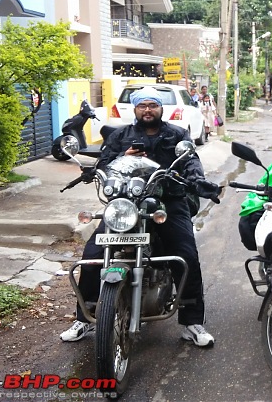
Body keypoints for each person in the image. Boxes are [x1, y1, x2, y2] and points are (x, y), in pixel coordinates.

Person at [60, 86, 222, 347]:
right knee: (92, 255)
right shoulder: (120, 135)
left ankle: (192, 322)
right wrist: (121, 157)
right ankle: (85, 317)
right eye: (142, 106)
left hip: (167, 201)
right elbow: (103, 162)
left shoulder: (178, 134)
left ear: (161, 109)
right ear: (135, 110)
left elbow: (191, 161)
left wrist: (197, 180)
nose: (148, 110)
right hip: (126, 204)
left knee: (186, 255)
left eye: (153, 105)